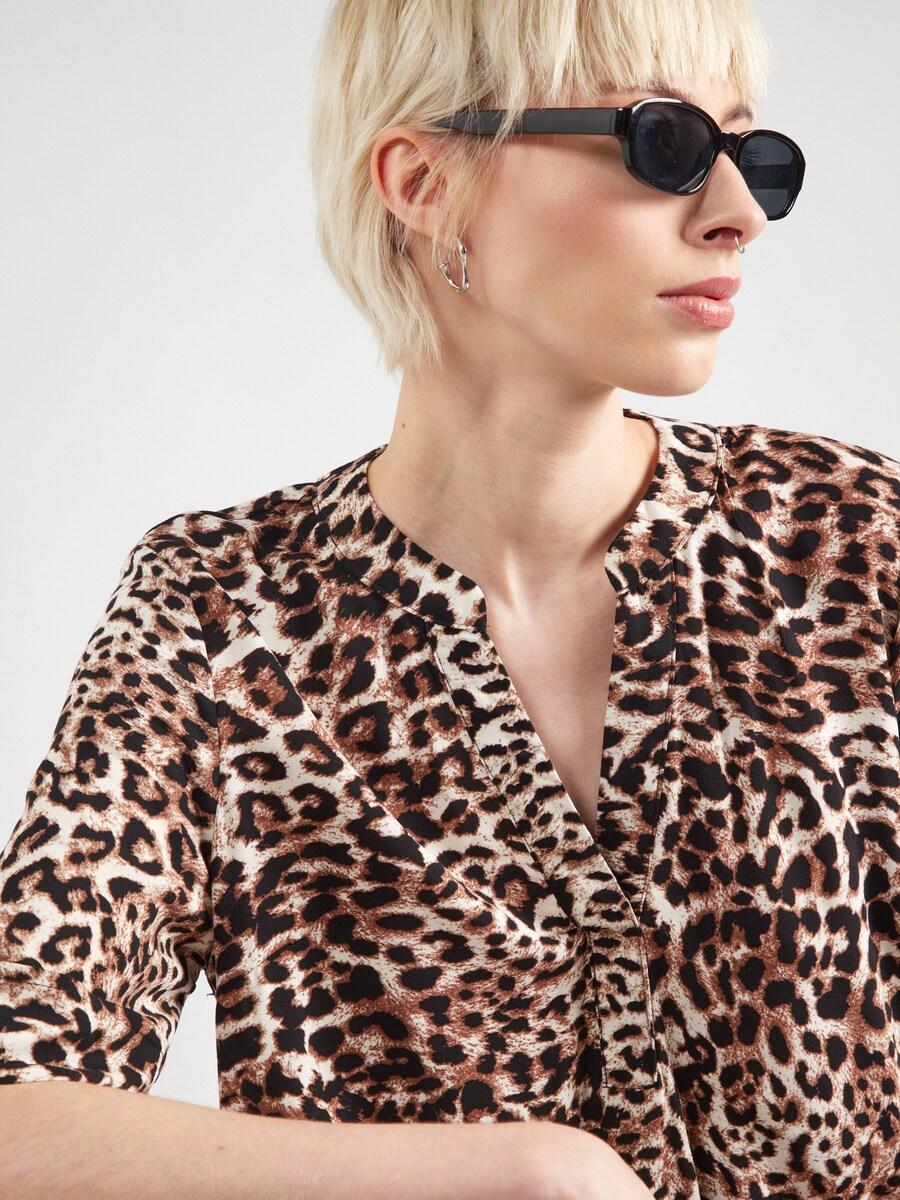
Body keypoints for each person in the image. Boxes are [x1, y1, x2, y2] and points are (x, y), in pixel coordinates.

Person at [1, 1, 898, 1198]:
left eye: (756, 153)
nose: (739, 211)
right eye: (668, 143)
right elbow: (17, 1120)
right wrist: (521, 1175)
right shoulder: (219, 617)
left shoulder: (855, 548)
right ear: (425, 184)